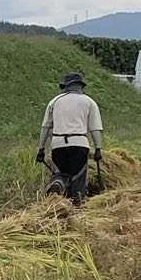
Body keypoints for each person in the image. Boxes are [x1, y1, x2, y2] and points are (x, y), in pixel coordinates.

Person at [36, 70, 103, 205]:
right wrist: (98, 149)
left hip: (58, 144)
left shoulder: (55, 101)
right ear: (81, 86)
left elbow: (45, 127)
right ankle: (77, 205)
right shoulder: (89, 102)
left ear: (66, 86)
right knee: (78, 177)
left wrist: (41, 149)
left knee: (60, 173)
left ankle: (58, 186)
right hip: (79, 144)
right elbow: (95, 129)